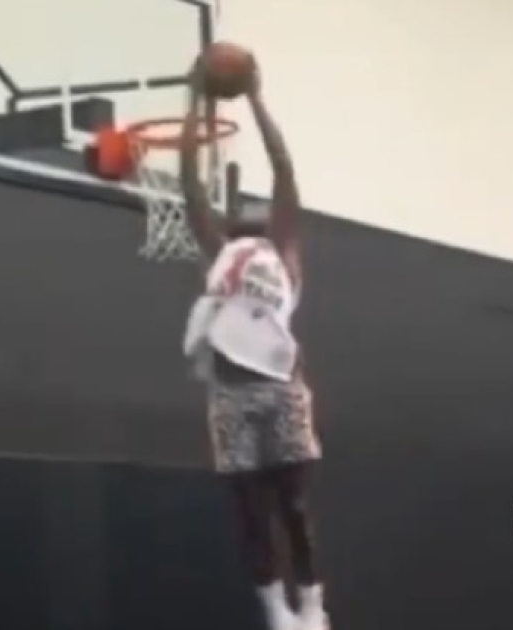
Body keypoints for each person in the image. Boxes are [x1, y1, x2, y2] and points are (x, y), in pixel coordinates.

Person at [178, 57, 328, 630]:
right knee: (251, 513)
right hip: (231, 395)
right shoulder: (220, 253)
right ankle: (275, 612)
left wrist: (257, 100)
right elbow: (191, 183)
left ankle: (311, 604)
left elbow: (283, 168)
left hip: (280, 389)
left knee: (294, 506)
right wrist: (197, 101)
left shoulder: (283, 250)